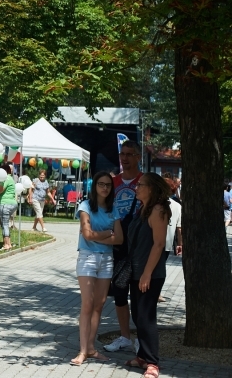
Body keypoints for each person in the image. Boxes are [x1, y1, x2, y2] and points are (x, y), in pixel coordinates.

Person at [70, 171, 122, 366]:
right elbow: (87, 235)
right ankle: (82, 350)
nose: (105, 188)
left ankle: (91, 347)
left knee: (99, 305)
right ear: (95, 186)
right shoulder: (85, 206)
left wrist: (99, 234)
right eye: (101, 184)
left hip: (106, 259)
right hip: (87, 258)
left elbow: (120, 238)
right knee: (87, 304)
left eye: (108, 185)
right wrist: (108, 233)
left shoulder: (113, 209)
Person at [124, 173, 170, 378]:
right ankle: (142, 356)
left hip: (150, 273)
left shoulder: (158, 210)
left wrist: (147, 274)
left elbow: (159, 244)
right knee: (138, 315)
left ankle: (152, 363)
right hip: (137, 271)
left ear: (151, 188)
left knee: (146, 317)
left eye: (141, 185)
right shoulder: (143, 209)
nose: (136, 187)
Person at [104, 140, 144, 353]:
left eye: (130, 154)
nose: (125, 158)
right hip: (119, 246)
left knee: (139, 295)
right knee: (120, 293)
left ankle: (140, 338)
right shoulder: (114, 182)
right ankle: (124, 337)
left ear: (138, 157)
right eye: (122, 154)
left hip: (139, 246)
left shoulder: (144, 181)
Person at [0, 164, 17, 251]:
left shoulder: (5, 178)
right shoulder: (10, 178)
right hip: (11, 203)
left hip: (5, 203)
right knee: (5, 223)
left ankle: (6, 244)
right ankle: (8, 243)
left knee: (4, 225)